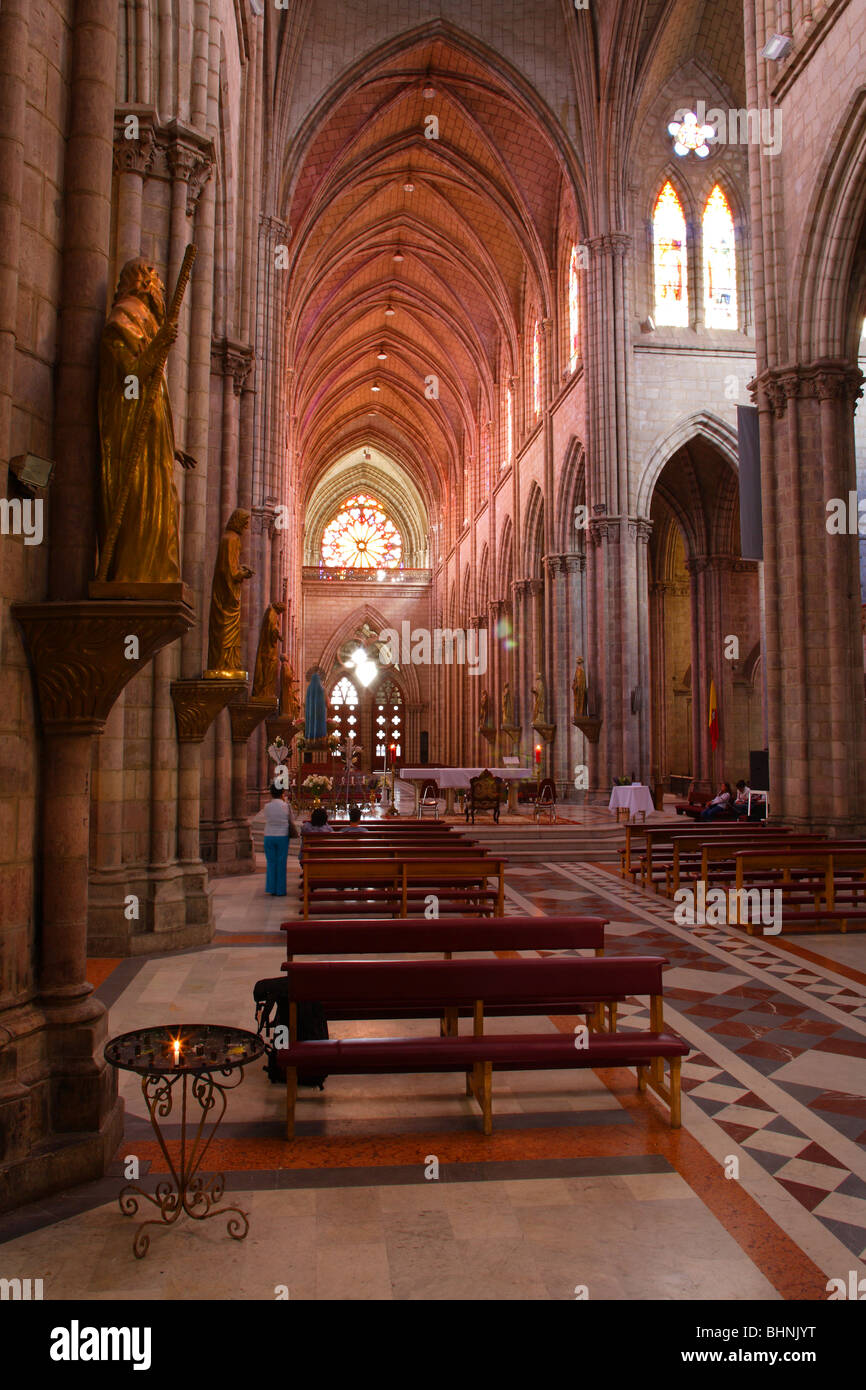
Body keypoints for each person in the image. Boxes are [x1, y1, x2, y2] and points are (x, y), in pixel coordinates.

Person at [263, 783, 298, 896]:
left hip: (269, 835)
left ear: (271, 793)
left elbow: (267, 818)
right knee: (281, 863)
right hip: (282, 836)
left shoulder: (267, 806)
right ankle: (280, 890)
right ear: (282, 793)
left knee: (271, 863)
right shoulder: (286, 806)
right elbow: (291, 819)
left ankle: (271, 888)